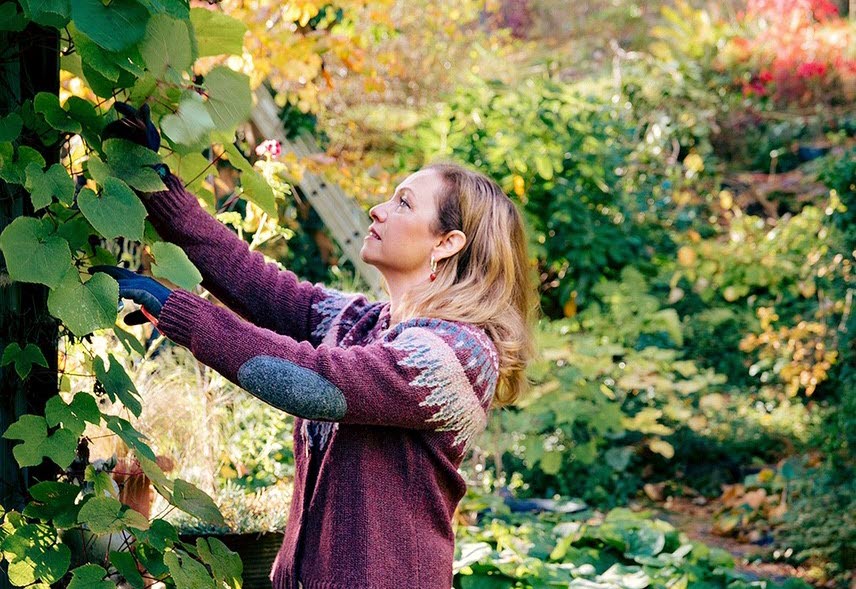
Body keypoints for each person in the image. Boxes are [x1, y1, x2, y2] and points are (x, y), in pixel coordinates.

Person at [91, 103, 538, 589]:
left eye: (404, 204)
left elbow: (318, 384)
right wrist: (155, 182)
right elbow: (256, 283)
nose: (379, 210)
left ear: (447, 243)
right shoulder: (360, 323)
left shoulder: (458, 354)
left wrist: (179, 310)